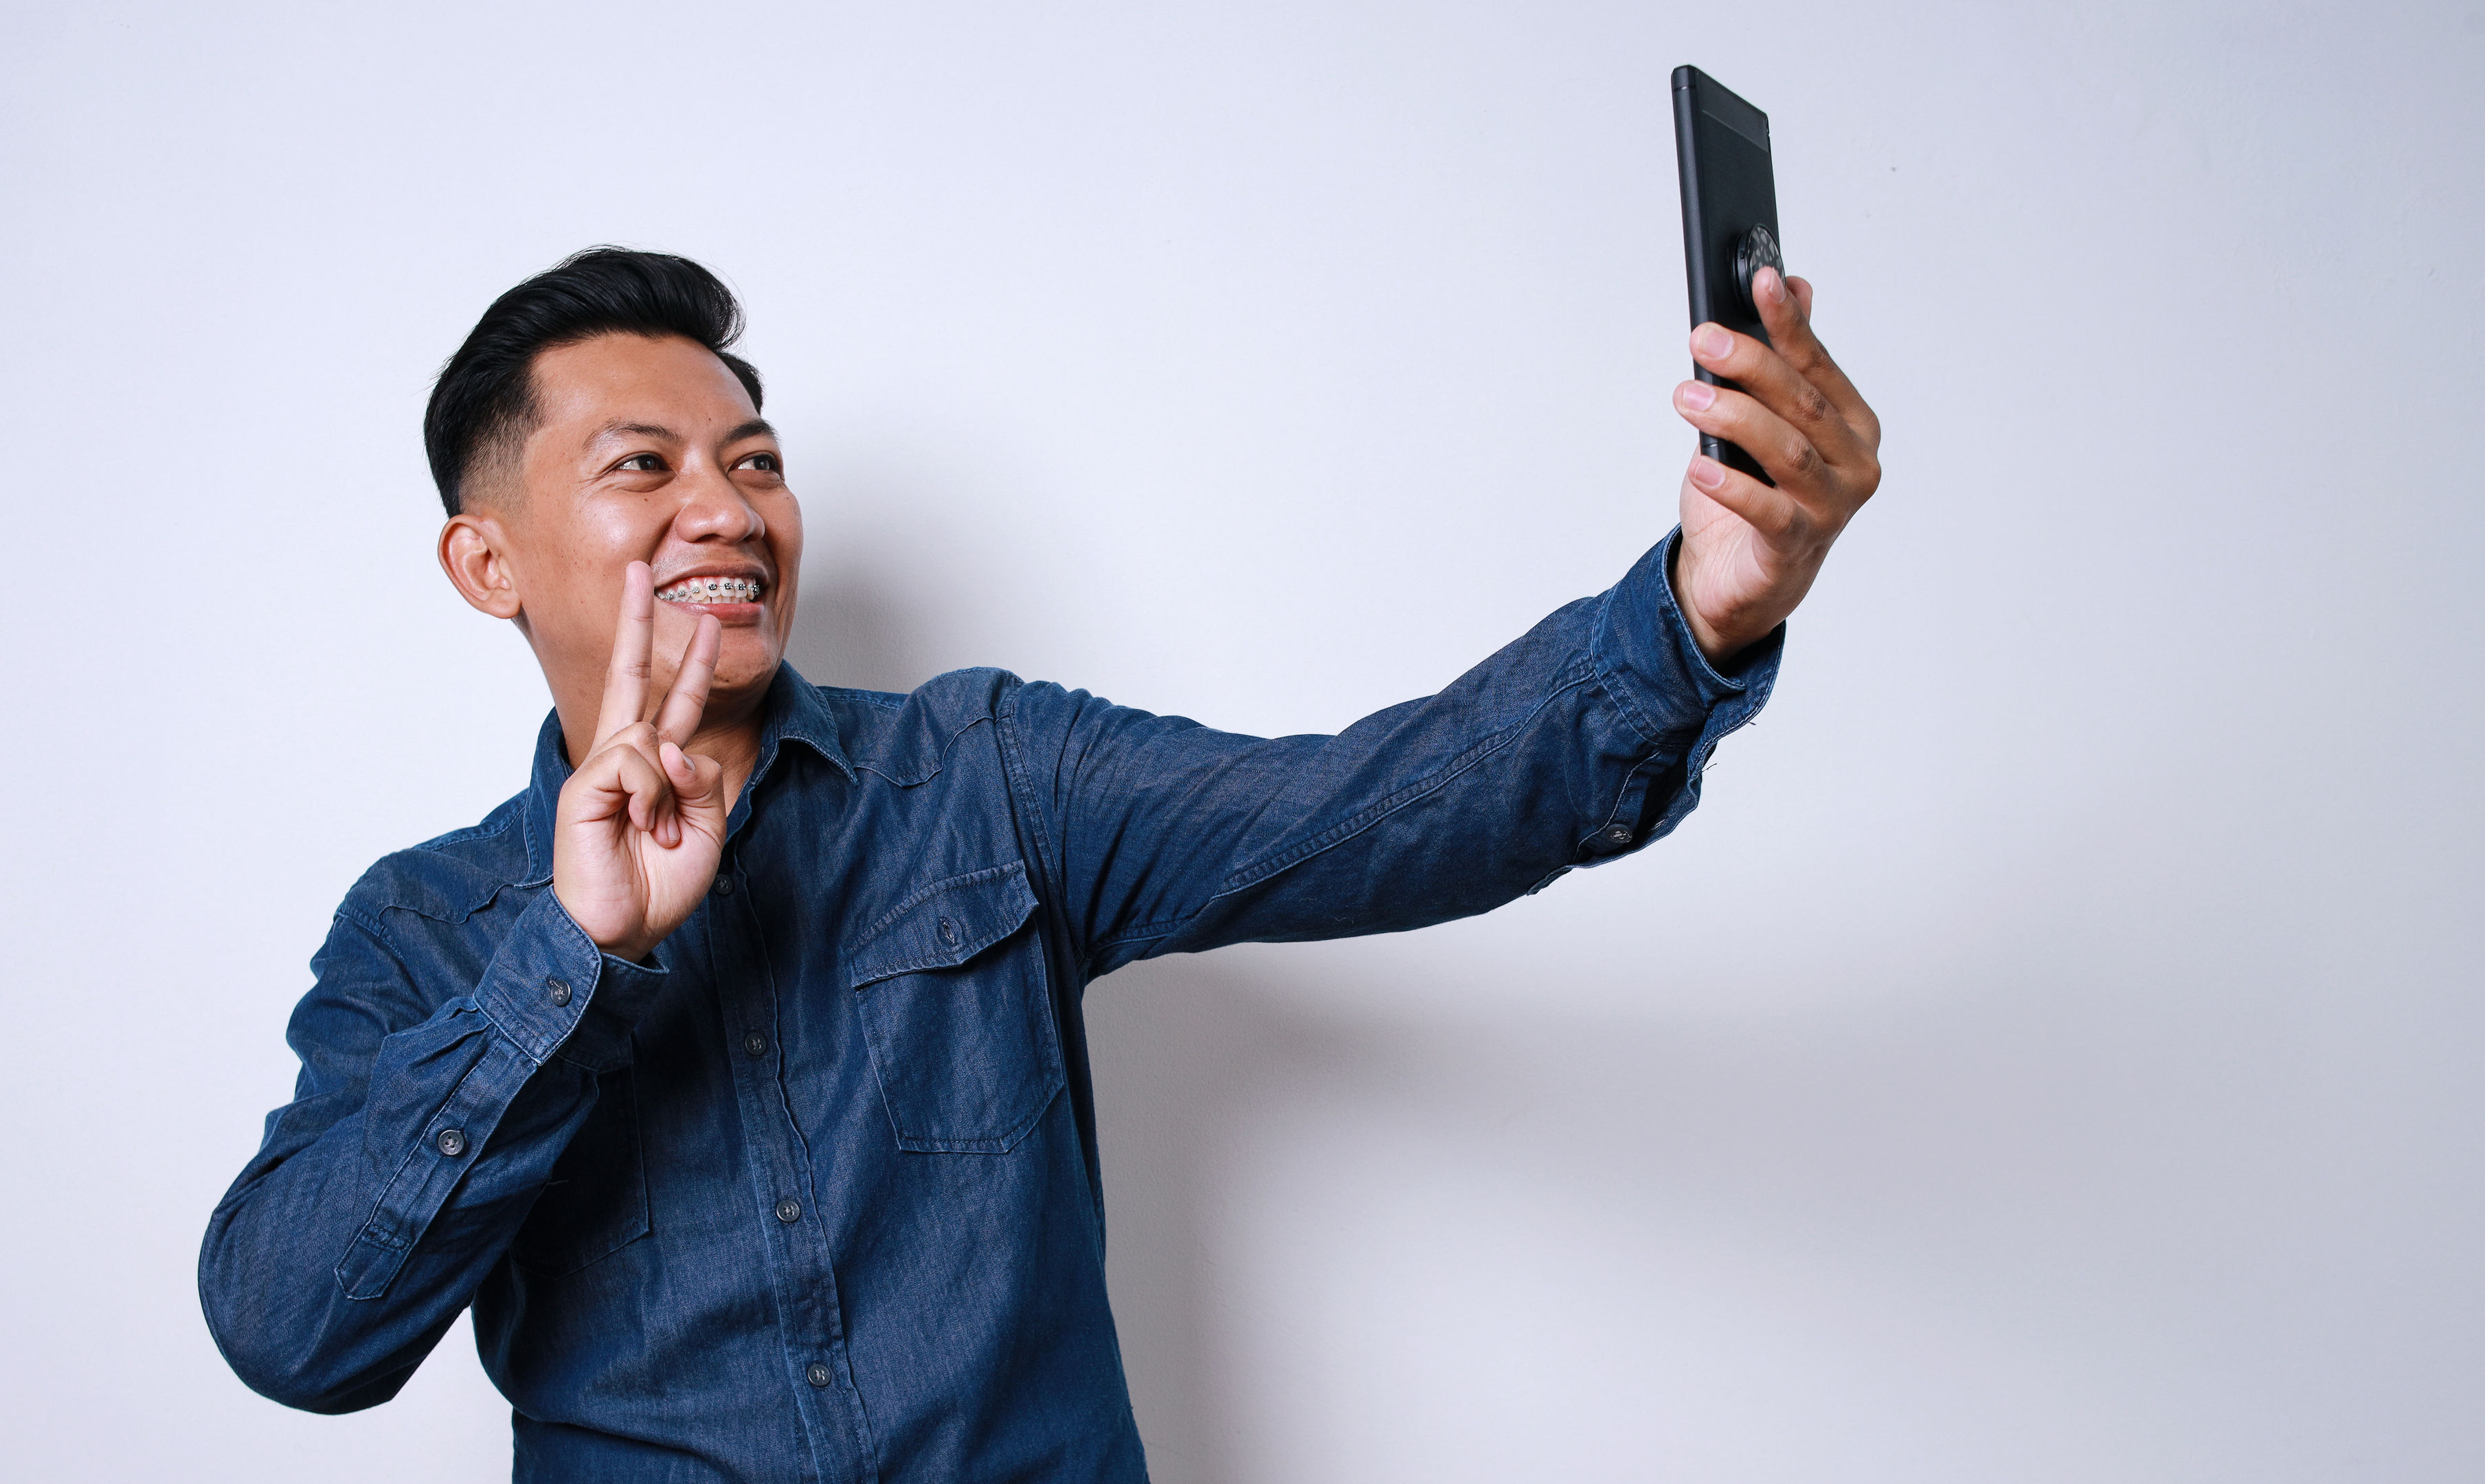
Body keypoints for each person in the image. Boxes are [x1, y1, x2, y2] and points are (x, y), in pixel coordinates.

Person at [199, 246, 1880, 1481]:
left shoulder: (989, 773)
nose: (727, 507)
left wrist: (1700, 611)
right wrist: (571, 957)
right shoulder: (424, 930)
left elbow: (1374, 810)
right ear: (485, 561)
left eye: (757, 464)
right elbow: (295, 1334)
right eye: (643, 467)